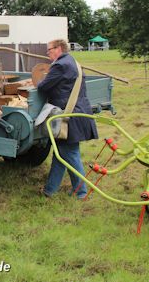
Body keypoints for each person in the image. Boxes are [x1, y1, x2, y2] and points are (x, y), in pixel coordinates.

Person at [37, 39, 98, 200]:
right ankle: (50, 190)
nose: (47, 53)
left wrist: (38, 81)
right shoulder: (72, 62)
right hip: (77, 112)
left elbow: (43, 86)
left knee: (70, 153)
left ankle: (81, 192)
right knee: (61, 153)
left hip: (69, 116)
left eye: (49, 50)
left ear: (58, 49)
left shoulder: (60, 65)